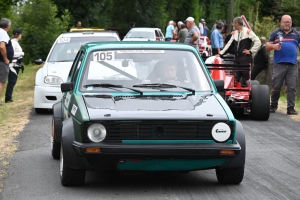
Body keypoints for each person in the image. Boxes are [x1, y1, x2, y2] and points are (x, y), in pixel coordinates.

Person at [266, 15, 300, 115]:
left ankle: (290, 108)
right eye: (285, 22)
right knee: (276, 87)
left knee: (292, 88)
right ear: (281, 22)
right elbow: (267, 46)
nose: (287, 24)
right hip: (279, 64)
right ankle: (273, 106)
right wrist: (274, 46)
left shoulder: (296, 34)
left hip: (292, 65)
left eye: (289, 22)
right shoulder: (275, 33)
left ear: (291, 22)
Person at [217, 17, 261, 86]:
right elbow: (228, 45)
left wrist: (251, 51)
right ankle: (234, 93)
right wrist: (220, 54)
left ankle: (245, 94)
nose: (233, 25)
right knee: (235, 77)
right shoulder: (235, 33)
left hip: (245, 58)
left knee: (245, 78)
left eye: (234, 24)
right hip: (237, 58)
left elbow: (258, 41)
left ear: (236, 23)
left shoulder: (247, 31)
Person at [5, 28, 24, 103]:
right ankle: (8, 98)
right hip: (12, 65)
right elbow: (11, 54)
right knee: (12, 81)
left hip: (16, 64)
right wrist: (21, 53)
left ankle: (9, 97)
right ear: (19, 35)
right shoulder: (13, 42)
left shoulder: (16, 42)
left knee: (13, 81)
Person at [0, 18, 13, 106]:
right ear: (8, 26)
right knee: (1, 81)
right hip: (1, 61)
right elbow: (2, 46)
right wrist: (5, 59)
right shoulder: (3, 33)